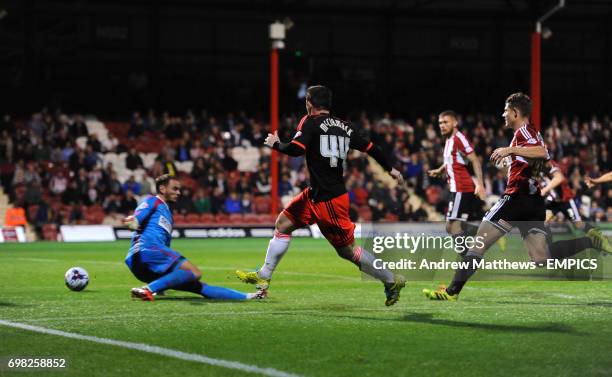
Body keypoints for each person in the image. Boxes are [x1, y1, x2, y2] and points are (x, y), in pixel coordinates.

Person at [423, 92, 611, 301]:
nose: (503, 114)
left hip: (515, 200)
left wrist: (508, 150)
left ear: (515, 112)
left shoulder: (523, 132)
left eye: (505, 110)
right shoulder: (528, 133)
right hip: (533, 201)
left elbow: (542, 152)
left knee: (478, 244)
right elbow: (539, 158)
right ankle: (590, 242)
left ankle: (451, 292)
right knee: (541, 257)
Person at [235, 85, 406, 306]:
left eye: (306, 99)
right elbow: (372, 148)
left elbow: (296, 148)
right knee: (283, 224)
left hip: (329, 200)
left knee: (348, 251)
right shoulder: (345, 126)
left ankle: (391, 280)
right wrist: (390, 169)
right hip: (316, 194)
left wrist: (275, 144)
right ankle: (264, 276)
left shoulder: (309, 122)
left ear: (310, 103)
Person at [125, 174, 266, 301]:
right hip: (147, 250)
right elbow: (138, 216)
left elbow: (165, 244)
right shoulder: (153, 201)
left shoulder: (167, 213)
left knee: (197, 286)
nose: (178, 193)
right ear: (162, 189)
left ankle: (250, 296)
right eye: (174, 189)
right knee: (193, 272)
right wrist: (134, 221)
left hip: (145, 265)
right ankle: (147, 289)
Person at [427, 110, 485, 243]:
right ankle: (482, 232)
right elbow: (451, 161)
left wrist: (480, 184)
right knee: (451, 227)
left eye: (445, 122)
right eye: (440, 123)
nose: (442, 125)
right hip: (456, 189)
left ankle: (469, 261)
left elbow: (475, 160)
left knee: (452, 226)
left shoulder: (459, 139)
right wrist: (440, 170)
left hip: (462, 188)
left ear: (455, 123)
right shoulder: (449, 140)